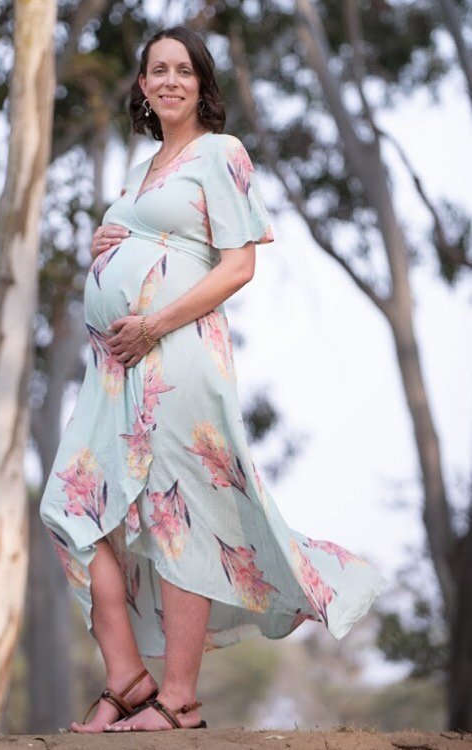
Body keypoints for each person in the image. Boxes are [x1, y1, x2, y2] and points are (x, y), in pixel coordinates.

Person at [39, 26, 387, 733]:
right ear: (141, 86)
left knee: (177, 517)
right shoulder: (146, 169)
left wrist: (154, 319)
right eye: (156, 70)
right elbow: (158, 241)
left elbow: (238, 265)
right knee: (69, 511)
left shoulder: (221, 154)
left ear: (201, 84)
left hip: (175, 356)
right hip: (116, 370)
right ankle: (127, 677)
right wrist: (111, 242)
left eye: (183, 70)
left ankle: (178, 699)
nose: (168, 80)